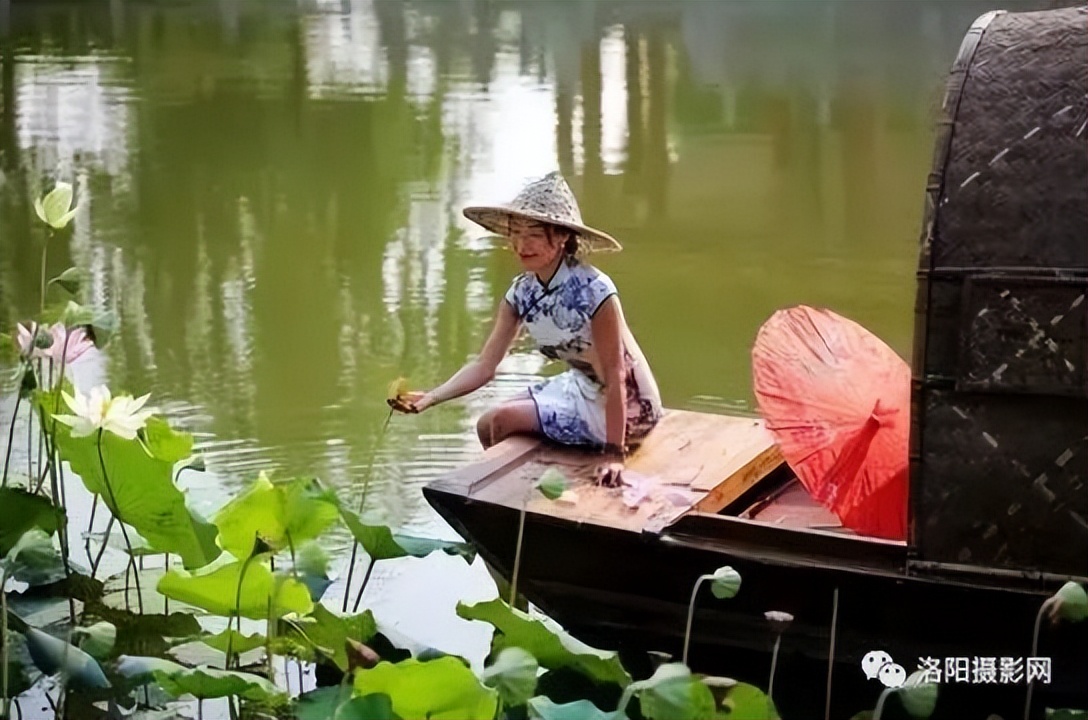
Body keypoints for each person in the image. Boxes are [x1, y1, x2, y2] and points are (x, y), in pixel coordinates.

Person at [389, 171, 663, 485]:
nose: (521, 244)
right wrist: (431, 398)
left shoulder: (595, 291)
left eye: (532, 234)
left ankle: (522, 498)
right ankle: (507, 501)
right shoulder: (522, 292)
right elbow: (484, 365)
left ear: (561, 237)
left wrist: (614, 454)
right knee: (486, 424)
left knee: (503, 421)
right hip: (580, 387)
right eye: (515, 233)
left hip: (627, 406)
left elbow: (615, 372)